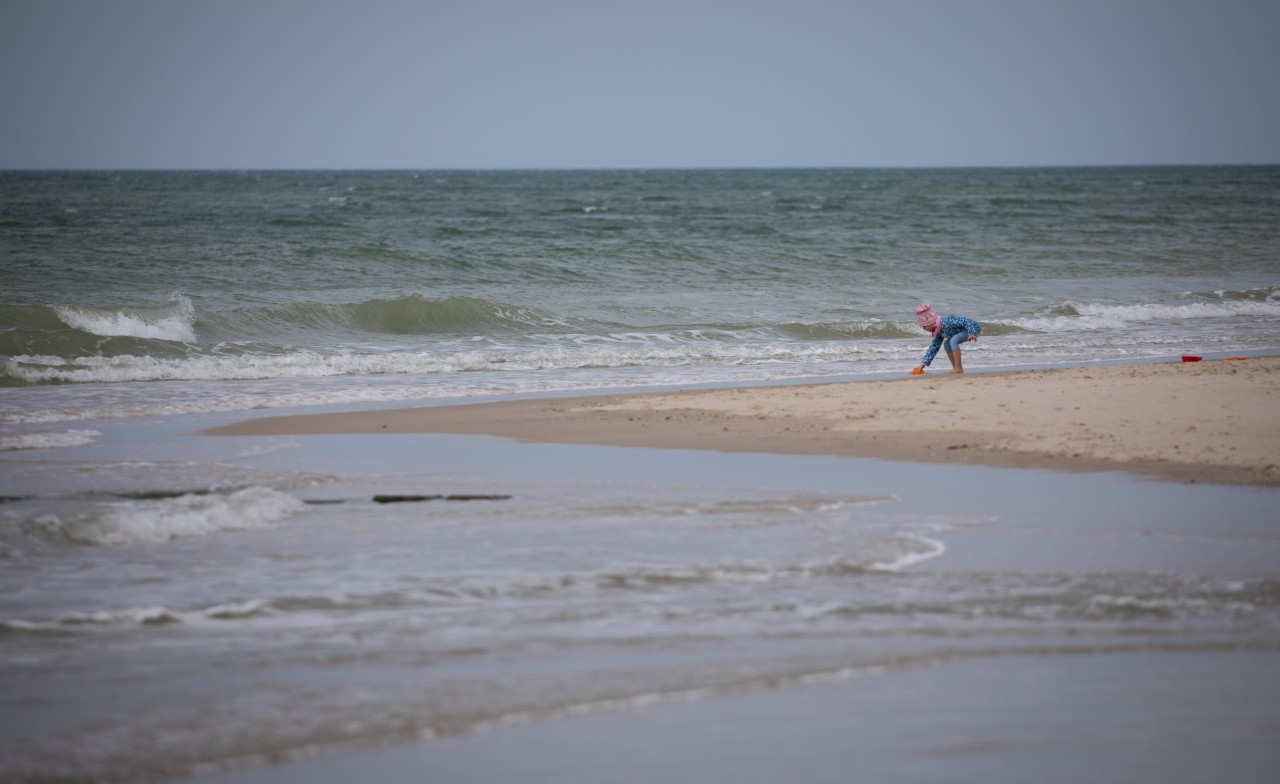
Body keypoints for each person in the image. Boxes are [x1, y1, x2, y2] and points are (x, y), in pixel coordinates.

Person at [911, 303, 981, 374]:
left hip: (972, 328)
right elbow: (933, 348)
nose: (923, 329)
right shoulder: (938, 331)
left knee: (953, 340)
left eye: (924, 326)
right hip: (965, 331)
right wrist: (923, 364)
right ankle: (955, 367)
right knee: (947, 344)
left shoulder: (946, 322)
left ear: (930, 323)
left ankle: (958, 367)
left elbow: (968, 321)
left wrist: (972, 332)